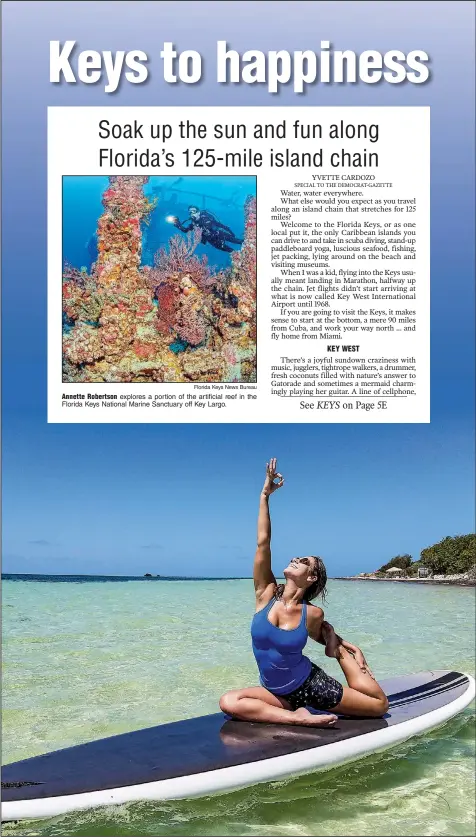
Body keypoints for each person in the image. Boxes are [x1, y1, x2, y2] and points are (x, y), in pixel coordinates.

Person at [219, 459, 389, 727]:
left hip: (310, 686)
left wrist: (345, 647)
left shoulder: (312, 614)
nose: (296, 558)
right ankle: (297, 717)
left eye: (305, 561)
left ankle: (307, 705)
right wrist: (264, 495)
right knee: (229, 702)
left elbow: (322, 635)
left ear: (311, 577)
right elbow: (263, 542)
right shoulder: (265, 594)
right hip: (277, 693)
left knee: (379, 706)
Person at [172, 206, 243, 252]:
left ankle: (250, 244)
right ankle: (239, 256)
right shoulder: (193, 223)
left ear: (198, 212)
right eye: (190, 212)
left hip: (219, 234)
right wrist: (178, 224)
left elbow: (219, 224)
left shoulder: (206, 217)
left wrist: (230, 232)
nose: (191, 214)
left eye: (193, 211)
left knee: (237, 241)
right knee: (231, 251)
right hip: (211, 240)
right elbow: (185, 230)